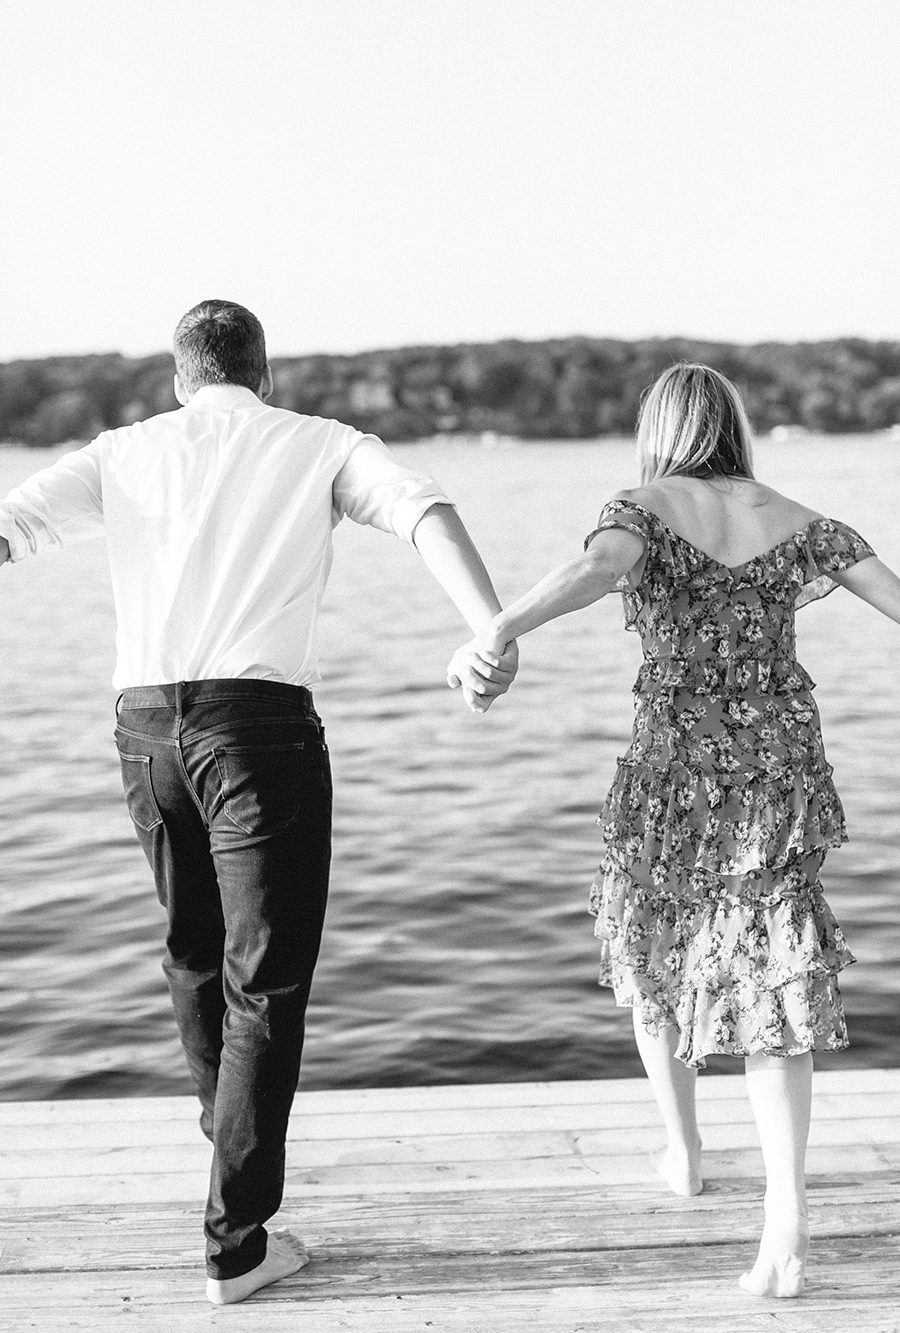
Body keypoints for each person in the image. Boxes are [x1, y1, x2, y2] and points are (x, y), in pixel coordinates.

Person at [0, 299, 517, 1305]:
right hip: (256, 727)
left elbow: (8, 527)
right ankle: (236, 1241)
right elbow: (426, 512)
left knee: (194, 951)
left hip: (145, 727)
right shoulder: (318, 442)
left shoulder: (125, 449)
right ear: (264, 374)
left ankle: (228, 1148)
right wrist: (490, 632)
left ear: (180, 378)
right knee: (264, 980)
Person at [451, 362, 900, 1299]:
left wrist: (498, 626)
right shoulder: (797, 517)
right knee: (776, 970)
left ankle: (686, 1152)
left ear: (660, 428)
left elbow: (600, 568)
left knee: (654, 946)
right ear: (732, 425)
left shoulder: (643, 507)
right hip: (777, 775)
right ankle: (784, 1221)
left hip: (674, 775)